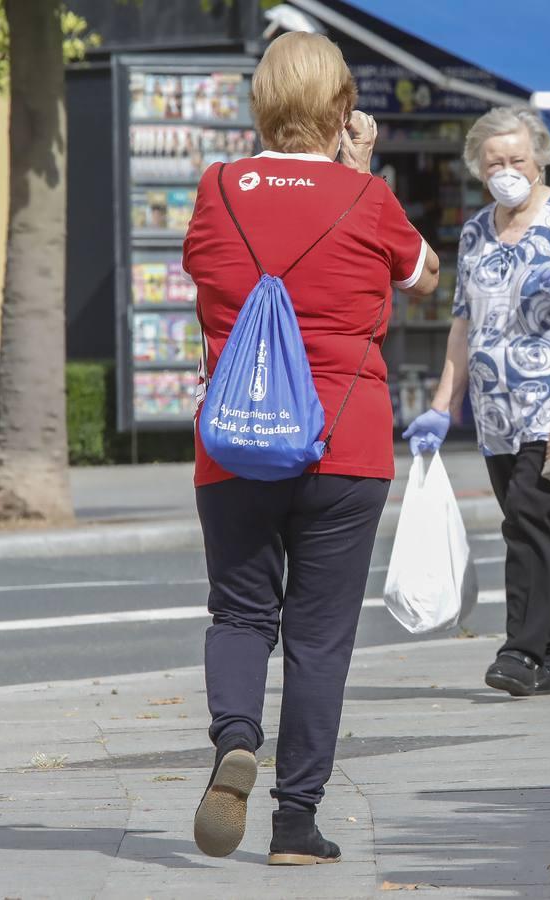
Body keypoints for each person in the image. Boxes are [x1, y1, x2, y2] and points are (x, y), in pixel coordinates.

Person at [183, 32, 440, 864]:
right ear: (340, 109)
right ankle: (296, 824)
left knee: (239, 610)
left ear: (260, 105)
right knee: (319, 637)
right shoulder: (366, 199)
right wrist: (358, 172)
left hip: (236, 443)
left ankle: (235, 734)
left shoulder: (218, 187)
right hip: (344, 441)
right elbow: (424, 274)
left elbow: (203, 276)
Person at [402, 107, 550, 698]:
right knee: (536, 524)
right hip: (495, 413)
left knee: (529, 513)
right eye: (495, 162)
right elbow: (461, 322)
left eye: (517, 160)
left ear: (540, 160)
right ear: (479, 168)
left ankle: (520, 653)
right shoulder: (476, 230)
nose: (507, 170)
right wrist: (442, 405)